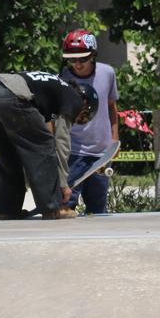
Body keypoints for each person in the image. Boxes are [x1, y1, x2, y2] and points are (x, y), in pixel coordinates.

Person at [0, 71, 98, 220]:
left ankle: (7, 210)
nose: (79, 120)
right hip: (11, 94)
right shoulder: (75, 99)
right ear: (85, 103)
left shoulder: (51, 92)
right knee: (43, 147)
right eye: (84, 116)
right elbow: (61, 141)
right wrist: (62, 184)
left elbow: (43, 132)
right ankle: (53, 208)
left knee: (9, 154)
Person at [58, 29, 119, 215]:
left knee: (98, 210)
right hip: (73, 153)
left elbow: (111, 107)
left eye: (82, 59)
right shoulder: (64, 77)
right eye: (71, 59)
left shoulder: (107, 73)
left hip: (100, 155)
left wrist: (114, 141)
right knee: (65, 206)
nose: (77, 64)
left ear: (93, 55)